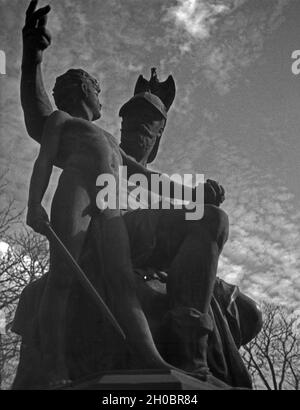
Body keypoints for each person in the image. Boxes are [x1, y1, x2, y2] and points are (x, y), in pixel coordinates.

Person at [19, 1, 260, 388]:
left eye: (148, 124)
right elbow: (40, 125)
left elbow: (148, 176)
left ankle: (171, 353)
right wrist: (32, 58)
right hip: (81, 205)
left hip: (111, 212)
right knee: (64, 281)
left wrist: (195, 194)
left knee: (140, 272)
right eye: (99, 90)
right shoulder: (65, 123)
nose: (104, 100)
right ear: (87, 92)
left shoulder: (111, 143)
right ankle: (53, 366)